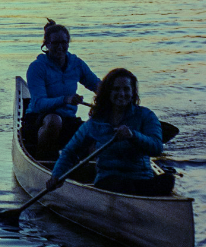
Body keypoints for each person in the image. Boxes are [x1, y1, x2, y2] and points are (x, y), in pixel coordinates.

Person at [43, 67, 174, 196]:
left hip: (141, 179)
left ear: (133, 92)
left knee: (168, 179)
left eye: (126, 89)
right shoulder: (96, 122)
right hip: (109, 181)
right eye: (116, 89)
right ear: (108, 92)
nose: (122, 94)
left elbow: (157, 147)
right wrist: (57, 175)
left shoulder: (146, 116)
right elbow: (70, 152)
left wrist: (133, 135)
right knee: (118, 184)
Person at [23, 19, 100, 159]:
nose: (60, 47)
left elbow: (98, 86)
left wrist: (115, 99)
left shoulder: (76, 64)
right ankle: (44, 159)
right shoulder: (37, 67)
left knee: (97, 129)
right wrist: (65, 99)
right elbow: (39, 103)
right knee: (54, 120)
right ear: (46, 44)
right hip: (38, 120)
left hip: (68, 120)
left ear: (68, 43)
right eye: (55, 43)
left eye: (63, 43)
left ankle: (92, 168)